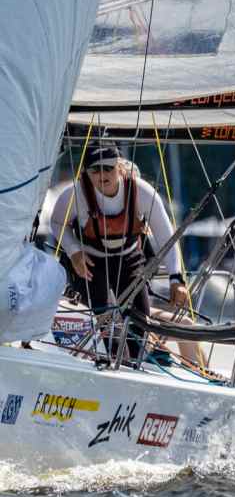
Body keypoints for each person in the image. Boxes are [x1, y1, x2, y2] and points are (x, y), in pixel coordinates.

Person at [50, 142, 190, 358]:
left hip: (129, 260)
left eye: (108, 168)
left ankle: (133, 363)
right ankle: (108, 359)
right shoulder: (75, 194)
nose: (102, 175)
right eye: (95, 170)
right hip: (90, 263)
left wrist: (176, 279)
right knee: (104, 322)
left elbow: (167, 237)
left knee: (140, 323)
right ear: (86, 172)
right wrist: (74, 252)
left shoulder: (142, 192)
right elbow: (57, 222)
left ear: (119, 167)